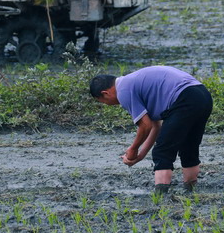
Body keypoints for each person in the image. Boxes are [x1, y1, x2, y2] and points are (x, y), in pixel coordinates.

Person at [89, 66, 214, 195]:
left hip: (184, 97)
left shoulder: (123, 91)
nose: (107, 104)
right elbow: (156, 126)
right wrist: (140, 156)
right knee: (189, 148)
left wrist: (133, 149)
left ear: (105, 93)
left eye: (103, 101)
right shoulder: (133, 83)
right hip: (202, 95)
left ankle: (160, 198)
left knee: (162, 152)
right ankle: (191, 193)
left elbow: (145, 126)